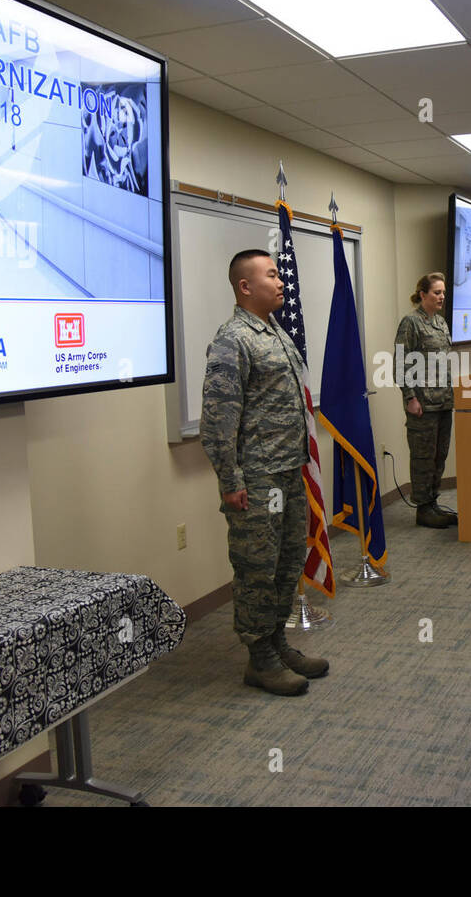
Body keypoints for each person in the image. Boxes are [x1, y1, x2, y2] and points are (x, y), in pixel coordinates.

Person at [201, 249, 329, 696]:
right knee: (256, 569)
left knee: (286, 562)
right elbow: (218, 419)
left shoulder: (276, 333)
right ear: (245, 287)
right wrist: (230, 481)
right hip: (256, 479)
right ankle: (259, 658)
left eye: (279, 274)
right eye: (271, 275)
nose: (281, 283)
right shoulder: (232, 339)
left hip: (289, 471)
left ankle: (277, 642)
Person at [396, 272, 456, 528]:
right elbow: (400, 362)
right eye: (436, 292)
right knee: (423, 457)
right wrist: (410, 397)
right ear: (423, 294)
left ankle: (433, 503)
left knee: (439, 456)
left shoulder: (441, 323)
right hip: (422, 404)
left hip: (443, 402)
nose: (441, 297)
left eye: (443, 292)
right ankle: (423, 508)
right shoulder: (411, 322)